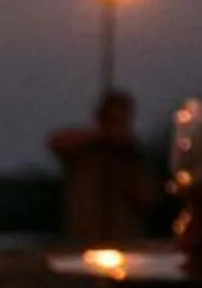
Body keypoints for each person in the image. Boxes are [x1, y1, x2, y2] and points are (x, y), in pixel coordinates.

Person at [47, 89, 161, 250]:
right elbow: (55, 142)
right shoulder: (83, 150)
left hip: (124, 244)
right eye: (113, 119)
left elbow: (149, 200)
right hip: (83, 242)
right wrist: (102, 137)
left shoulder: (133, 157)